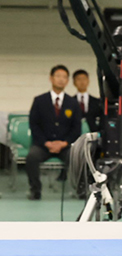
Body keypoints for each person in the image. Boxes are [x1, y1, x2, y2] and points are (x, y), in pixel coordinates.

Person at [26, 65, 83, 200]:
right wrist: (46, 143)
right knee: (32, 157)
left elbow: (76, 128)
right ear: (51, 78)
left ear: (68, 81)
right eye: (58, 76)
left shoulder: (73, 103)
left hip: (65, 145)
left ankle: (80, 190)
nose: (61, 80)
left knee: (78, 158)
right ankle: (35, 190)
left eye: (64, 77)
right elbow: (34, 125)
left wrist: (64, 143)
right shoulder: (39, 101)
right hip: (43, 145)